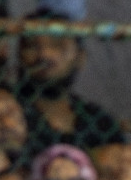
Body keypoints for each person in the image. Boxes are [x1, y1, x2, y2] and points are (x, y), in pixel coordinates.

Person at [19, 14, 123, 157]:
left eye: (57, 45)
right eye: (31, 46)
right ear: (19, 56)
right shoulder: (10, 112)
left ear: (80, 58)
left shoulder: (98, 121)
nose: (44, 54)